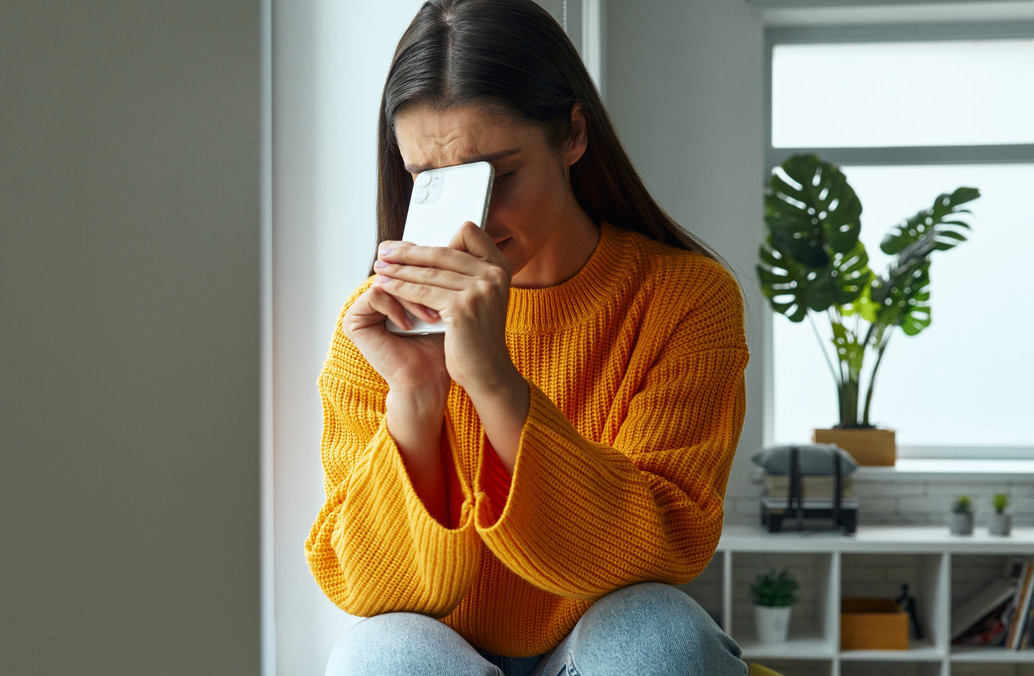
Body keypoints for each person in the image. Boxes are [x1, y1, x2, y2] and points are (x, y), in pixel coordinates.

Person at [306, 1, 749, 674]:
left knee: (658, 639)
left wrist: (495, 382)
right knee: (379, 658)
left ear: (572, 135)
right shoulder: (377, 329)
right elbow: (370, 590)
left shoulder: (684, 297)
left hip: (602, 637)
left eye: (497, 175)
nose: (473, 217)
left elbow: (659, 549)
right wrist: (418, 400)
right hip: (444, 649)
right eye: (432, 181)